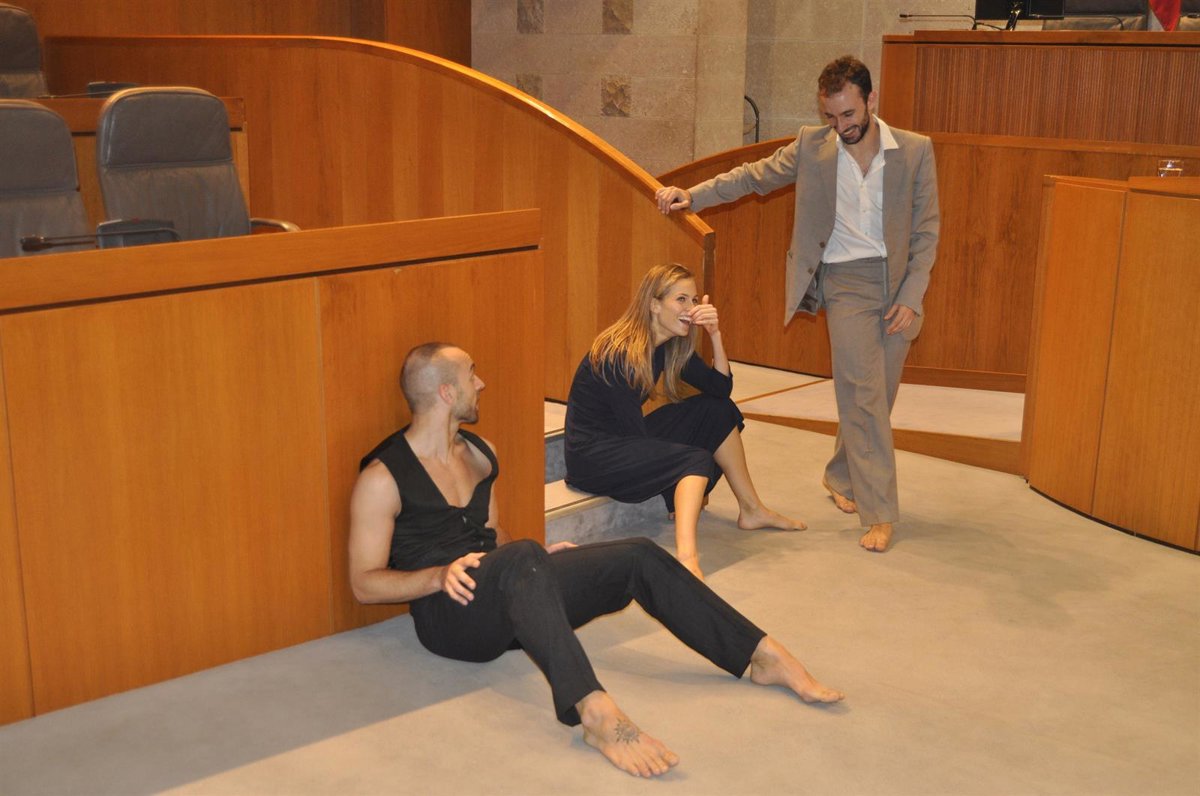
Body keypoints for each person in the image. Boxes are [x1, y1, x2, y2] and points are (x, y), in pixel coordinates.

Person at [348, 342, 844, 778]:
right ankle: (594, 712)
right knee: (522, 558)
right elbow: (364, 584)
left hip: (506, 597)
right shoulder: (383, 476)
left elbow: (495, 536)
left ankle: (758, 654)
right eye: (471, 374)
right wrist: (438, 576)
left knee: (637, 555)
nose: (481, 382)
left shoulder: (480, 452)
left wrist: (533, 564)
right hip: (449, 619)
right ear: (445, 392)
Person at [655, 55, 939, 554]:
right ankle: (879, 512)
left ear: (871, 100)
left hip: (897, 286)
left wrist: (911, 297)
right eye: (831, 116)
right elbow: (752, 177)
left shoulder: (915, 151)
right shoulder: (813, 145)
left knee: (876, 396)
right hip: (846, 283)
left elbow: (927, 230)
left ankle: (841, 475)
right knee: (865, 397)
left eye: (849, 114)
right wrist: (692, 196)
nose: (841, 126)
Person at [564, 263, 803, 581]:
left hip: (623, 439)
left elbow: (720, 389)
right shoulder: (619, 353)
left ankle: (752, 509)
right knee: (695, 460)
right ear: (654, 304)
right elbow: (634, 436)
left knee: (717, 410)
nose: (691, 310)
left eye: (693, 300)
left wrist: (715, 335)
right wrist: (677, 479)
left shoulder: (668, 346)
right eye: (681, 300)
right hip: (593, 458)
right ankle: (687, 558)